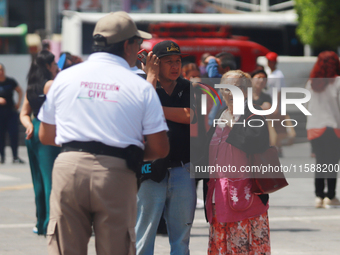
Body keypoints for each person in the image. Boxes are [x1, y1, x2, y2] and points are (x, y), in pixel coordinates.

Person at [38, 11, 169, 254]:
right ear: (128, 45)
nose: (140, 48)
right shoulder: (139, 86)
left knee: (65, 247)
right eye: (139, 43)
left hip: (69, 167)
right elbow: (160, 148)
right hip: (116, 171)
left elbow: (46, 136)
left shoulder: (65, 78)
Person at [136, 41, 196, 255]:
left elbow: (190, 116)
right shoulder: (140, 83)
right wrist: (150, 78)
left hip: (182, 170)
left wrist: (155, 108)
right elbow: (141, 111)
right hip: (150, 170)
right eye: (168, 62)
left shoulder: (188, 87)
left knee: (181, 239)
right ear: (154, 63)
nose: (175, 66)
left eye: (178, 61)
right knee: (143, 235)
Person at [204, 70, 271, 254]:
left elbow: (258, 143)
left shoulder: (254, 115)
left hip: (248, 195)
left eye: (239, 88)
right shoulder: (219, 114)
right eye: (228, 88)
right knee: (221, 247)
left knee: (246, 247)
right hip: (219, 196)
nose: (232, 92)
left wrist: (234, 125)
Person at [19, 50, 61, 235]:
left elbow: (23, 113)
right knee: (51, 179)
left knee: (38, 180)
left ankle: (41, 221)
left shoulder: (32, 86)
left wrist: (29, 125)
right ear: (47, 66)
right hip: (48, 130)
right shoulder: (51, 84)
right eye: (54, 64)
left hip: (33, 131)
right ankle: (52, 223)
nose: (57, 67)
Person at [306, 51, 340, 208]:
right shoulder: (337, 82)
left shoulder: (311, 83)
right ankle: (330, 196)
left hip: (314, 127)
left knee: (320, 162)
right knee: (332, 162)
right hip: (333, 127)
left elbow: (307, 106)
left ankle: (318, 196)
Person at [0, 63, 24, 164]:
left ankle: (15, 156)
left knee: (14, 134)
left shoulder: (10, 81)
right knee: (1, 135)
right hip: (0, 113)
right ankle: (2, 157)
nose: (0, 72)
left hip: (11, 111)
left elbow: (20, 91)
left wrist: (18, 103)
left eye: (1, 69)